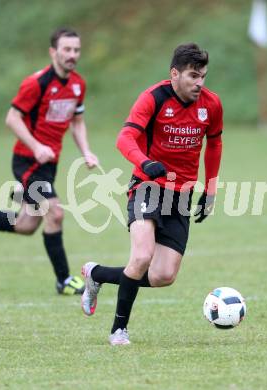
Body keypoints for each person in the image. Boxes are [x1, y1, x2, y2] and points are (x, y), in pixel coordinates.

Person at [81, 43, 223, 344]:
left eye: (203, 77)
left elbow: (215, 145)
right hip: (147, 187)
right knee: (142, 256)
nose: (199, 83)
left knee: (163, 276)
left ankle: (97, 274)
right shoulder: (154, 98)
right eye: (193, 76)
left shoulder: (211, 105)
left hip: (181, 195)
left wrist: (210, 189)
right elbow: (125, 137)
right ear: (175, 74)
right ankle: (118, 330)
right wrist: (145, 162)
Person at [0, 28, 99, 295]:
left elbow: (77, 123)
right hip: (28, 161)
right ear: (53, 52)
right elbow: (12, 118)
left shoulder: (77, 84)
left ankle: (22, 196)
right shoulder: (36, 83)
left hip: (49, 164)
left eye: (76, 50)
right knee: (55, 213)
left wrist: (87, 151)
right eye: (67, 49)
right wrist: (36, 146)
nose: (72, 55)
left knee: (26, 225)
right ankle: (63, 280)